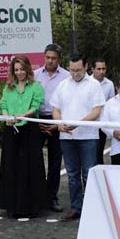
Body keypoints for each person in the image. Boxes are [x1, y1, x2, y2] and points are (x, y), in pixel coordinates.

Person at [51, 54, 106, 220]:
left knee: (88, 173)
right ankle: (76, 207)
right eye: (72, 70)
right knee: (72, 174)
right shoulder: (62, 85)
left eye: (79, 70)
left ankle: (91, 207)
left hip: (88, 136)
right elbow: (56, 109)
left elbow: (97, 111)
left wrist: (78, 123)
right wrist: (59, 123)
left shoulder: (94, 85)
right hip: (67, 137)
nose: (75, 73)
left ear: (86, 67)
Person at [0, 55, 47, 218]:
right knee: (11, 165)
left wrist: (23, 115)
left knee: (30, 165)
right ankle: (12, 205)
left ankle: (32, 205)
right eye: (16, 70)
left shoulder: (36, 87)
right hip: (11, 129)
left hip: (29, 129)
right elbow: (3, 104)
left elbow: (36, 105)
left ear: (27, 69)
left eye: (22, 69)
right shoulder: (8, 88)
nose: (19, 73)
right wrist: (7, 117)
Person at [34, 44, 69, 212]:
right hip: (37, 119)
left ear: (59, 59)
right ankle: (36, 196)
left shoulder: (66, 77)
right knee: (34, 160)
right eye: (47, 57)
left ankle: (51, 197)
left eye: (53, 58)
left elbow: (68, 103)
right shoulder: (34, 75)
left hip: (58, 120)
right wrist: (36, 120)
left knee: (55, 162)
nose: (50, 61)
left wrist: (57, 124)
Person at [90, 57, 116, 165]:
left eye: (103, 69)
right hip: (89, 124)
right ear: (92, 69)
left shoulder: (109, 84)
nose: (101, 71)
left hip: (102, 124)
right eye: (98, 69)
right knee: (89, 153)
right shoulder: (87, 82)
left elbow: (111, 104)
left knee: (99, 152)